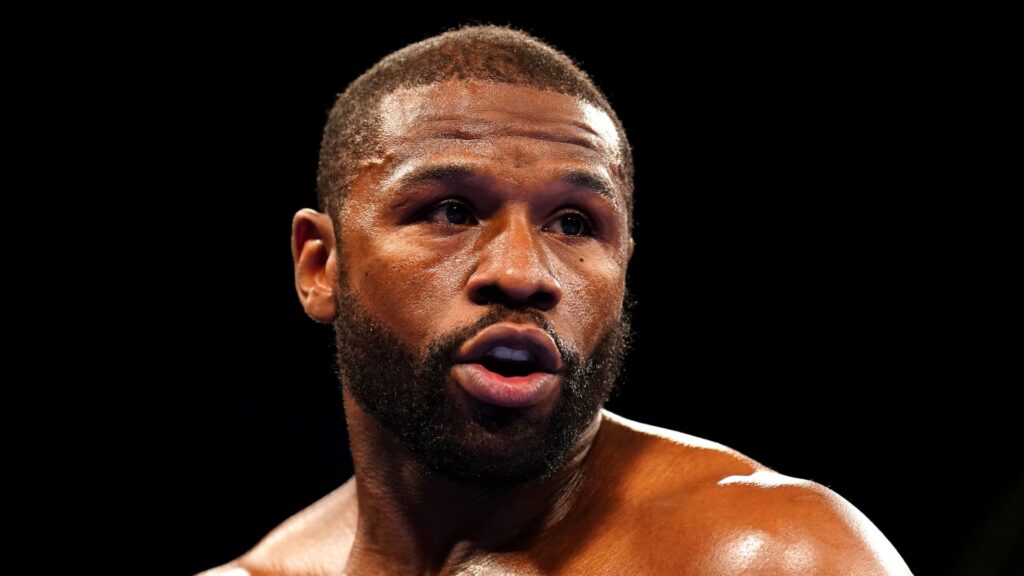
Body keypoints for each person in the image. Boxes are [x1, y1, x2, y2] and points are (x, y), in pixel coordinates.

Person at [202, 25, 911, 575]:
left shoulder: (773, 556)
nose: (522, 272)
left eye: (574, 224)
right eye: (451, 211)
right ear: (320, 266)